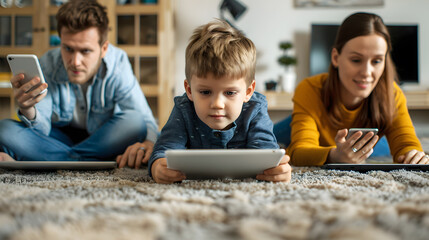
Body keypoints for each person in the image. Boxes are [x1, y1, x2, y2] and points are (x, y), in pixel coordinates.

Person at [0, 0, 158, 168]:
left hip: (103, 139)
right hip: (58, 138)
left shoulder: (117, 62)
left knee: (135, 122)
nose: (75, 62)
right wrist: (28, 109)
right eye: (68, 49)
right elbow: (41, 131)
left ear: (104, 48)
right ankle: (89, 163)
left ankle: (52, 160)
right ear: (60, 41)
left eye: (85, 51)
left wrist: (150, 143)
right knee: (5, 129)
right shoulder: (48, 63)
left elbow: (144, 118)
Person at [148, 19, 292, 184]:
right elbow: (164, 150)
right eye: (205, 92)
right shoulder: (183, 108)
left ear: (248, 92)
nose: (217, 104)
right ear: (189, 90)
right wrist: (157, 167)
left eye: (230, 92)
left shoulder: (255, 108)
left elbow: (266, 154)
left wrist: (276, 171)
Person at [285, 12, 428, 166]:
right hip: (295, 126)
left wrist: (414, 155)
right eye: (356, 60)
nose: (367, 72)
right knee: (267, 140)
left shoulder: (392, 94)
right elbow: (299, 151)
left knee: (370, 148)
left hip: (358, 142)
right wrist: (334, 155)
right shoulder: (310, 89)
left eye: (377, 61)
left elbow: (407, 145)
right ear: (335, 58)